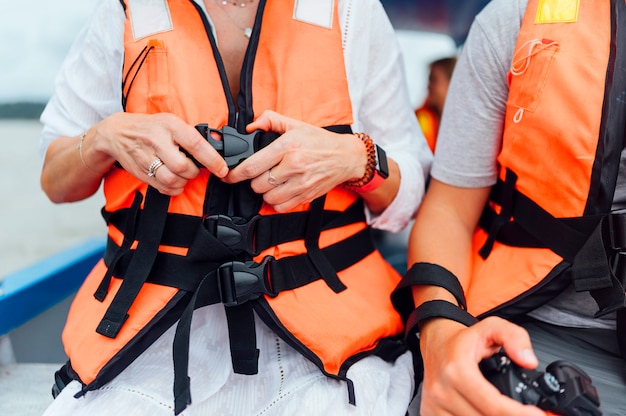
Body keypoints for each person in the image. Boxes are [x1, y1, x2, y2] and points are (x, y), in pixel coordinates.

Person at [38, 0, 432, 415]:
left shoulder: (352, 10)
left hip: (329, 347)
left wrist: (357, 158)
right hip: (146, 341)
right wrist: (103, 136)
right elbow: (55, 180)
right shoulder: (125, 11)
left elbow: (412, 194)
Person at [393, 0, 626, 414]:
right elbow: (448, 209)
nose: (429, 90)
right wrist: (441, 338)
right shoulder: (512, 19)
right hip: (534, 326)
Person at [414, 56, 456, 152]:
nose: (428, 86)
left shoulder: (468, 122)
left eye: (433, 79)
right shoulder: (418, 119)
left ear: (452, 83)